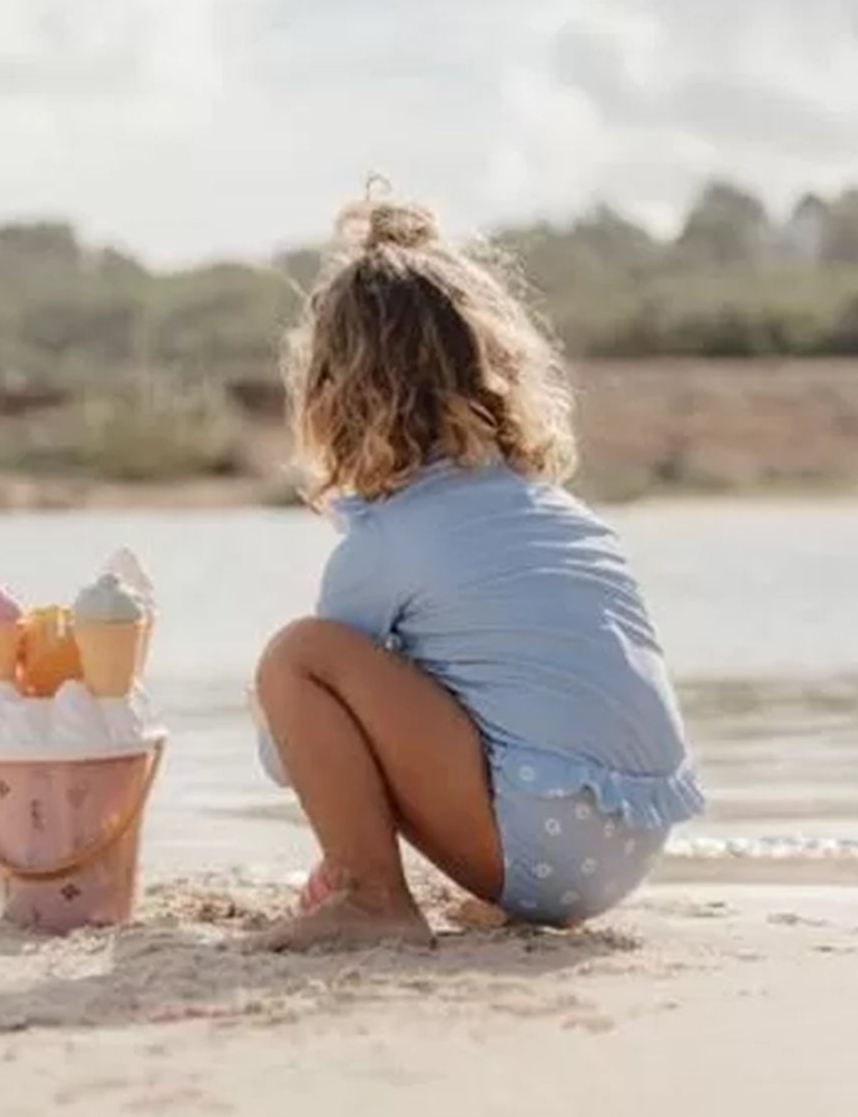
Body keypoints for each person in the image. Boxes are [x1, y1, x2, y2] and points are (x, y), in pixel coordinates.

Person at [249, 187, 704, 951]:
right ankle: (474, 888)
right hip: (632, 843)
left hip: (546, 845)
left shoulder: (383, 544)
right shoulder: (555, 510)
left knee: (298, 658)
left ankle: (370, 896)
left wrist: (270, 710)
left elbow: (289, 757)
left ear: (336, 395)